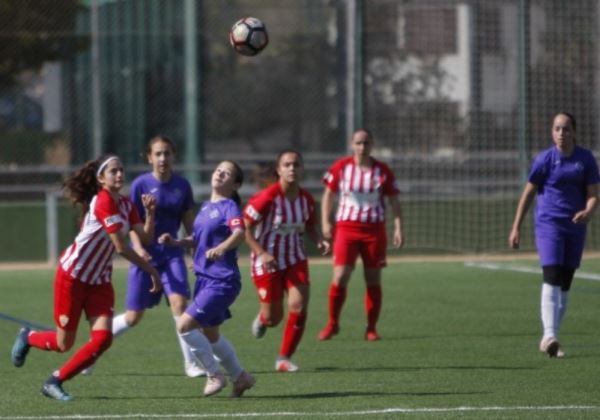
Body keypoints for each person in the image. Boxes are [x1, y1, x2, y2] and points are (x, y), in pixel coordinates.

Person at [10, 155, 162, 401]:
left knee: (103, 339)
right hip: (73, 276)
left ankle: (54, 381)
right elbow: (121, 248)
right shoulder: (103, 202)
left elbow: (145, 238)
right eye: (113, 171)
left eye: (121, 170)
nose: (120, 175)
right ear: (101, 178)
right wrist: (152, 270)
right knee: (63, 344)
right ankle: (28, 337)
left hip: (99, 281)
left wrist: (150, 213)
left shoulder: (126, 204)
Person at [83, 135, 203, 377]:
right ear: (149, 158)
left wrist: (195, 252)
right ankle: (90, 355)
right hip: (144, 257)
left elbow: (190, 224)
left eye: (167, 153)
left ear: (173, 156)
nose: (162, 158)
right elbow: (131, 221)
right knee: (132, 317)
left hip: (171, 256)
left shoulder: (182, 186)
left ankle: (191, 364)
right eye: (157, 154)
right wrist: (138, 248)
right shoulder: (140, 185)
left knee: (180, 305)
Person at [159, 160, 255, 397]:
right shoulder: (204, 207)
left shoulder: (229, 206)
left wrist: (221, 249)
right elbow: (198, 240)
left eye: (228, 173)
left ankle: (214, 374)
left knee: (184, 325)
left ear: (235, 185)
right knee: (211, 335)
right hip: (204, 280)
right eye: (218, 170)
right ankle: (241, 377)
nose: (220, 174)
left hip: (222, 282)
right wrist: (177, 242)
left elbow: (239, 233)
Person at [509, 112, 599, 358]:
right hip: (549, 224)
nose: (562, 133)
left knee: (566, 283)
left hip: (575, 227)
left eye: (566, 129)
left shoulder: (585, 159)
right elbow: (528, 194)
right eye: (557, 129)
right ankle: (549, 334)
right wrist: (516, 226)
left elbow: (593, 193)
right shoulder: (544, 160)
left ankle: (552, 338)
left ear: (574, 132)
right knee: (551, 276)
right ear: (552, 132)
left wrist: (589, 210)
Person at [244, 149, 330, 372]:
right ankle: (264, 319)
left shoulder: (306, 199)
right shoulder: (267, 198)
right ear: (279, 169)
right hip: (267, 263)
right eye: (287, 165)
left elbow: (310, 225)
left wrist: (319, 240)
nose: (292, 168)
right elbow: (243, 228)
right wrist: (261, 252)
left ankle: (284, 358)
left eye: (296, 165)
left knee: (299, 306)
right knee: (274, 318)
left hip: (295, 259)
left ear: (302, 169)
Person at [318, 129, 404, 342]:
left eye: (366, 143)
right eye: (358, 143)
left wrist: (398, 226)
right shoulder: (341, 167)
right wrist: (326, 222)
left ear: (372, 144)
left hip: (374, 230)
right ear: (352, 144)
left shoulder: (382, 170)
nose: (362, 147)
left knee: (373, 278)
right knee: (340, 276)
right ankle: (333, 323)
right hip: (347, 228)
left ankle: (371, 328)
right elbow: (328, 194)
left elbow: (394, 200)